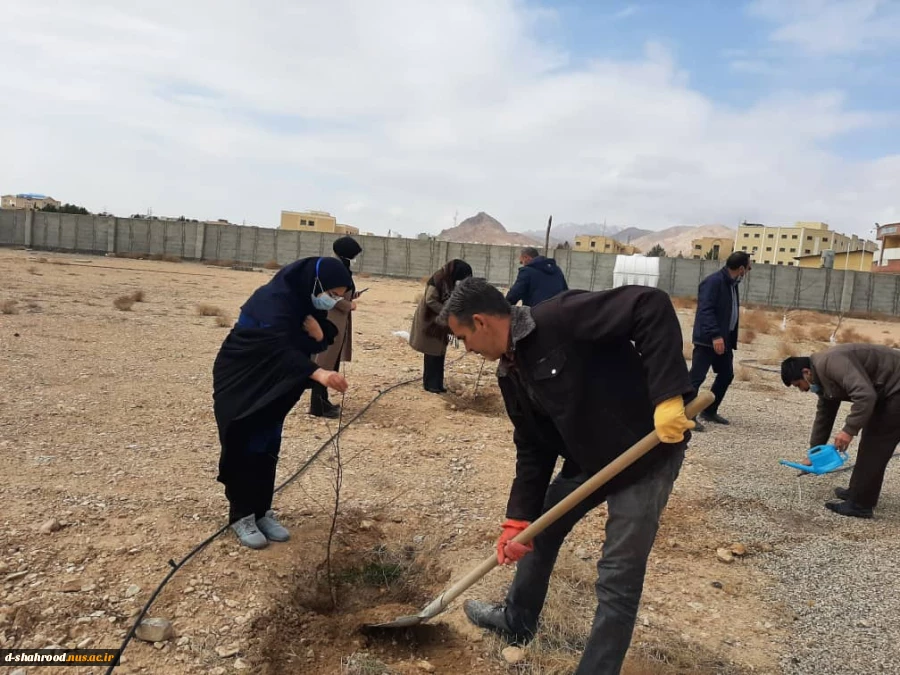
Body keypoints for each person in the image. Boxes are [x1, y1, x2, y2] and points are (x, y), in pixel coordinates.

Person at [440, 277, 695, 675]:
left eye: (462, 338)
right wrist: (517, 518)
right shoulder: (509, 372)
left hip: (646, 455)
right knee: (538, 532)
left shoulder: (560, 317)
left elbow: (650, 304)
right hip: (591, 461)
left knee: (617, 578)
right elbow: (532, 447)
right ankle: (517, 620)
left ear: (481, 321)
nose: (466, 349)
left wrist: (668, 397)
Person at [213, 256, 352, 549]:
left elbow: (321, 333)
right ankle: (241, 515)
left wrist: (318, 333)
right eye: (332, 293)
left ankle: (262, 510)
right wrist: (318, 372)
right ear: (316, 282)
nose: (334, 300)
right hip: (243, 380)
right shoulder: (272, 300)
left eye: (340, 296)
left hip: (277, 384)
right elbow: (275, 347)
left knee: (268, 444)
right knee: (243, 442)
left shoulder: (307, 302)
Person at [781, 344, 900, 519]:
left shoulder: (831, 364)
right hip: (889, 391)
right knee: (871, 440)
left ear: (806, 372)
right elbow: (825, 415)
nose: (803, 390)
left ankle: (860, 505)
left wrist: (848, 430)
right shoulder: (821, 376)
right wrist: (814, 453)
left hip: (896, 391)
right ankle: (856, 492)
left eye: (799, 385)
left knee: (875, 444)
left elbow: (865, 395)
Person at [689, 251, 751, 430]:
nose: (749, 270)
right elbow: (705, 310)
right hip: (709, 339)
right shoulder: (713, 282)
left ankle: (708, 411)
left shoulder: (732, 284)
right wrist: (715, 335)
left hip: (723, 340)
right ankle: (686, 415)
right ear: (741, 268)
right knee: (696, 377)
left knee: (726, 375)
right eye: (748, 267)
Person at [308, 236, 363, 418]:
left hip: (337, 321)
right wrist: (348, 305)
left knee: (330, 362)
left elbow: (340, 292)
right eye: (353, 255)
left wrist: (351, 295)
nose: (355, 259)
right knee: (323, 362)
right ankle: (317, 407)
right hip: (329, 321)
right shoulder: (332, 268)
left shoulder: (341, 268)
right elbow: (328, 295)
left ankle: (323, 401)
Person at [408, 259, 473, 393]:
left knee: (439, 353)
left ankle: (437, 384)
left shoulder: (448, 280)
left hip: (440, 322)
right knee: (432, 353)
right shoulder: (438, 279)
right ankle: (430, 384)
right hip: (430, 321)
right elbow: (430, 300)